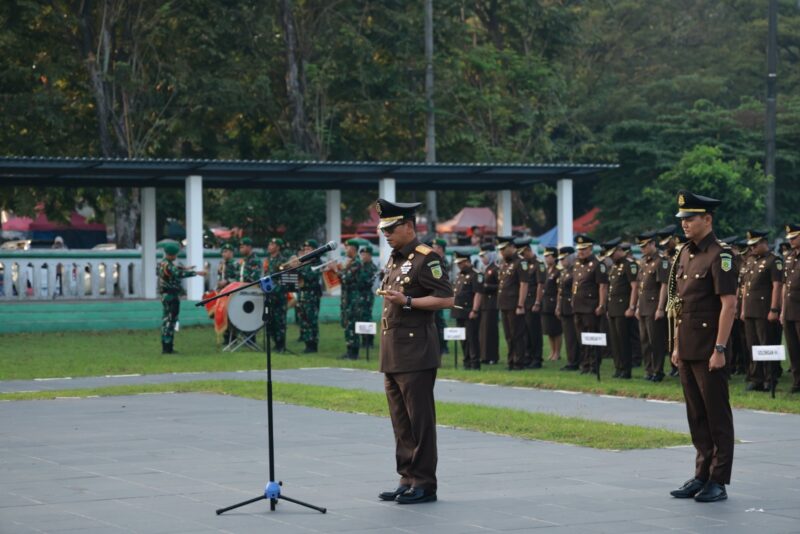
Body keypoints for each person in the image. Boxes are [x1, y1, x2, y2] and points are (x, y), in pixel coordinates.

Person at [375, 198, 453, 505]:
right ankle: (407, 477)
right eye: (384, 229)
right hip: (393, 350)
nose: (386, 234)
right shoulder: (395, 258)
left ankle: (424, 483)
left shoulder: (426, 257)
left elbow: (446, 299)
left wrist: (408, 301)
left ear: (409, 226)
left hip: (416, 351)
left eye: (391, 228)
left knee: (420, 420)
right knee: (400, 421)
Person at [668, 190, 736, 503]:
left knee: (716, 416)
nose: (684, 223)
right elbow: (680, 305)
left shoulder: (721, 255)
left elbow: (729, 305)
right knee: (696, 416)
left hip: (710, 349)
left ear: (707, 219)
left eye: (690, 218)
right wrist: (676, 345)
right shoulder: (685, 253)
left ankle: (718, 480)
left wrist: (720, 349)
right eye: (682, 218)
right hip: (687, 347)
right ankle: (701, 474)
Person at [741, 230, 784, 391]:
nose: (752, 248)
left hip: (764, 309)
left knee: (766, 344)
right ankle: (756, 377)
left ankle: (769, 378)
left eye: (755, 245)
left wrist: (774, 308)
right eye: (750, 245)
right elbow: (745, 287)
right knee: (752, 345)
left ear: (764, 243)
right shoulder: (750, 260)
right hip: (750, 309)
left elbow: (777, 286)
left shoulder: (773, 260)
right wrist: (743, 309)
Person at [158, 242, 205, 354]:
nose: (176, 256)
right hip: (171, 296)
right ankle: (167, 347)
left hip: (166, 295)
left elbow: (174, 269)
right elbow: (178, 273)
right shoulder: (168, 265)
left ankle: (167, 346)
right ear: (172, 254)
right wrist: (196, 273)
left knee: (167, 320)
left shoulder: (164, 263)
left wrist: (185, 268)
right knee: (170, 320)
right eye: (175, 254)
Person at [572, 234, 608, 374]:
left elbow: (602, 286)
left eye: (584, 249)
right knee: (581, 338)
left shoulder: (598, 265)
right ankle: (585, 364)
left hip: (591, 307)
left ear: (590, 249)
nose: (581, 252)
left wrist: (601, 305)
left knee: (593, 337)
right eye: (579, 249)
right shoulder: (577, 263)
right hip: (578, 306)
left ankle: (594, 365)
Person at [636, 231, 669, 382]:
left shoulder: (661, 261)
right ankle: (649, 370)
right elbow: (640, 286)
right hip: (643, 305)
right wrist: (637, 306)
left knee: (655, 340)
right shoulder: (643, 262)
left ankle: (658, 370)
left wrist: (660, 308)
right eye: (640, 246)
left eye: (644, 246)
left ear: (652, 244)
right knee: (644, 341)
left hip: (654, 305)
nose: (642, 249)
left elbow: (664, 285)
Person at [606, 238, 639, 379]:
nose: (611, 257)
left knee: (624, 340)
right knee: (615, 341)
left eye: (613, 254)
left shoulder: (629, 265)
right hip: (613, 308)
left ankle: (626, 369)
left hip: (623, 308)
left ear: (619, 251)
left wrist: (632, 306)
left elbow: (635, 287)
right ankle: (618, 367)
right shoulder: (614, 267)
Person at [497, 236, 530, 370]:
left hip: (514, 304)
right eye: (500, 249)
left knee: (517, 334)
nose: (502, 252)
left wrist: (520, 305)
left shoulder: (520, 262)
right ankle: (511, 360)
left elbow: (524, 284)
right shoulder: (505, 263)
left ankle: (519, 361)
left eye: (504, 249)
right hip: (504, 304)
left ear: (511, 247)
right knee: (508, 335)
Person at [516, 237, 545, 368]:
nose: (522, 256)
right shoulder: (524, 264)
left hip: (533, 302)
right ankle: (528, 356)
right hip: (525, 302)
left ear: (528, 250)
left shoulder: (539, 264)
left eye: (523, 253)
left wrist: (537, 302)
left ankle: (537, 358)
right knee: (526, 332)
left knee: (535, 332)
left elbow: (540, 285)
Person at [334, 238, 365, 359]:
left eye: (347, 248)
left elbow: (345, 278)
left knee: (352, 325)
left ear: (353, 249)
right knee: (348, 325)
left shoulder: (356, 263)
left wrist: (336, 270)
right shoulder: (350, 262)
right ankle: (349, 350)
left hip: (353, 300)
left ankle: (353, 353)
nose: (345, 250)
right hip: (347, 299)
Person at [452, 251, 482, 369]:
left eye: (461, 263)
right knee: (463, 338)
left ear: (467, 261)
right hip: (459, 311)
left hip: (469, 311)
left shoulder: (476, 274)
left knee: (472, 338)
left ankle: (474, 362)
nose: (459, 265)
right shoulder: (460, 275)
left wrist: (474, 310)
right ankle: (466, 360)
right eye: (458, 263)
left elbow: (478, 293)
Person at [781, 223, 800, 393]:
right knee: (793, 348)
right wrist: (782, 310)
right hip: (789, 309)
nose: (791, 241)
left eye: (794, 237)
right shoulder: (789, 257)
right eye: (790, 238)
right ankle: (797, 381)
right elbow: (784, 285)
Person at [296, 239, 323, 353]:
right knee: (304, 320)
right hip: (302, 293)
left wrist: (298, 268)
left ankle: (313, 344)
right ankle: (307, 343)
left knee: (311, 320)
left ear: (315, 250)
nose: (306, 251)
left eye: (309, 249)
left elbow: (311, 276)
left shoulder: (317, 262)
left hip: (312, 295)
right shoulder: (304, 262)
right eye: (305, 249)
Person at [264, 237, 290, 353]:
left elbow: (284, 279)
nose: (269, 246)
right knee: (271, 321)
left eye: (272, 245)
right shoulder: (268, 260)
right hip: (269, 295)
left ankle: (281, 345)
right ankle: (275, 342)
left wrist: (275, 290)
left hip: (279, 296)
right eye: (269, 244)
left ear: (278, 247)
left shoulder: (283, 261)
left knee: (280, 321)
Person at [556, 246, 580, 370]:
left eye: (563, 259)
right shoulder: (564, 271)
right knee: (569, 336)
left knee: (574, 336)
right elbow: (560, 291)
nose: (561, 261)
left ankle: (575, 361)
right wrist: (558, 306)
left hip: (572, 307)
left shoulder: (575, 270)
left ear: (570, 257)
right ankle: (571, 360)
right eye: (560, 259)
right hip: (564, 307)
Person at [477, 244, 500, 364]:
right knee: (483, 331)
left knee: (490, 331)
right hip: (484, 303)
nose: (482, 259)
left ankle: (492, 356)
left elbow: (500, 286)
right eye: (481, 256)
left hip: (492, 303)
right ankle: (484, 355)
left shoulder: (495, 269)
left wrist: (487, 286)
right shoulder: (484, 269)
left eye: (484, 256)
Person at [541, 247, 563, 361]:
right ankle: (552, 351)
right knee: (549, 330)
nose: (546, 258)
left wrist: (558, 305)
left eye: (548, 256)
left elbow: (559, 289)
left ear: (554, 257)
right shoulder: (545, 270)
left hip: (554, 302)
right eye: (545, 256)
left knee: (556, 330)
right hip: (545, 303)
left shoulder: (558, 271)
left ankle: (557, 352)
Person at [431, 237, 450, 355]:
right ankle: (438, 344)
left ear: (441, 249)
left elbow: (438, 279)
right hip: (435, 294)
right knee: (435, 320)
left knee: (440, 321)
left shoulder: (442, 262)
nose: (433, 249)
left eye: (436, 247)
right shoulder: (436, 261)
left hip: (440, 295)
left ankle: (443, 346)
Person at [358, 245, 379, 349]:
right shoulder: (361, 266)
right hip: (359, 295)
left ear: (370, 255)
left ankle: (369, 341)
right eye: (362, 254)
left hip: (367, 295)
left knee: (366, 317)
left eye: (365, 254)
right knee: (361, 317)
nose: (363, 256)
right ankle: (363, 340)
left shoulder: (372, 267)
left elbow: (366, 281)